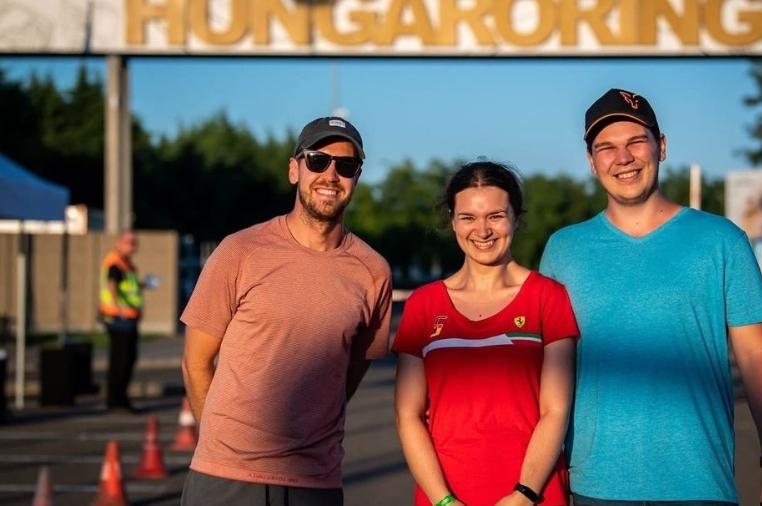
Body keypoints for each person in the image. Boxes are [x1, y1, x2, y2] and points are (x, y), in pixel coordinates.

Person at [539, 89, 762, 506]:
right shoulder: (563, 250)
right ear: (591, 162)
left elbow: (755, 356)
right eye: (606, 147)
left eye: (635, 142)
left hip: (699, 485)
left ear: (660, 147)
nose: (622, 158)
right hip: (593, 486)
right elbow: (547, 369)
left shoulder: (722, 241)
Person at [180, 116, 392, 505]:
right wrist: (219, 445)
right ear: (294, 170)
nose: (331, 174)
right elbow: (196, 362)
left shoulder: (373, 272)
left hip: (315, 481)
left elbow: (349, 373)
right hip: (225, 478)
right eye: (317, 161)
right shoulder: (240, 251)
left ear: (357, 178)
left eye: (345, 166)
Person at [393, 161, 578, 506]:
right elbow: (408, 415)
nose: (482, 230)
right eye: (468, 217)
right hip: (444, 498)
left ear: (516, 219)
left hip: (534, 495)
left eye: (495, 216)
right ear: (452, 221)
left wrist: (524, 494)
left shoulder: (548, 297)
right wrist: (444, 500)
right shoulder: (423, 304)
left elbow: (556, 410)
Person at [98, 230, 144, 413]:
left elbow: (128, 286)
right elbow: (112, 285)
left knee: (128, 358)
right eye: (129, 242)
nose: (132, 246)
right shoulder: (115, 262)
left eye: (134, 242)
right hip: (119, 319)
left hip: (128, 318)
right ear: (119, 242)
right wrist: (120, 308)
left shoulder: (127, 264)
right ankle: (116, 400)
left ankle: (120, 398)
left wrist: (142, 285)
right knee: (121, 360)